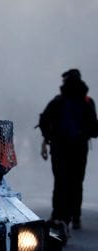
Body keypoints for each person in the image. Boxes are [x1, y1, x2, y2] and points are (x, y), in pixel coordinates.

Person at [39, 69, 98, 236]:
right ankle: (75, 216)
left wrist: (48, 139)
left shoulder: (58, 101)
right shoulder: (87, 101)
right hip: (80, 148)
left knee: (60, 181)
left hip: (59, 148)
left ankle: (58, 216)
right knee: (76, 182)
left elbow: (44, 120)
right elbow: (94, 128)